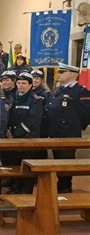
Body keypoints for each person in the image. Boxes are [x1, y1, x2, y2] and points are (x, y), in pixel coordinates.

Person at [45, 63, 90, 193]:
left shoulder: (80, 91)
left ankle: (65, 188)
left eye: (62, 72)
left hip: (68, 134)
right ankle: (60, 187)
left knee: (65, 163)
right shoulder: (59, 90)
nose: (58, 74)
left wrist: (74, 126)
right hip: (55, 133)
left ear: (71, 74)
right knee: (58, 163)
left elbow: (86, 113)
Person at [6, 72, 45, 194]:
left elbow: (33, 122)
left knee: (26, 168)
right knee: (14, 165)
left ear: (30, 85)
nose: (20, 86)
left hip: (28, 139)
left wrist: (15, 133)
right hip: (13, 139)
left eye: (24, 83)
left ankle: (25, 192)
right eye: (18, 83)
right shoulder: (14, 98)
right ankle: (14, 188)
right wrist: (8, 131)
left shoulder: (35, 100)